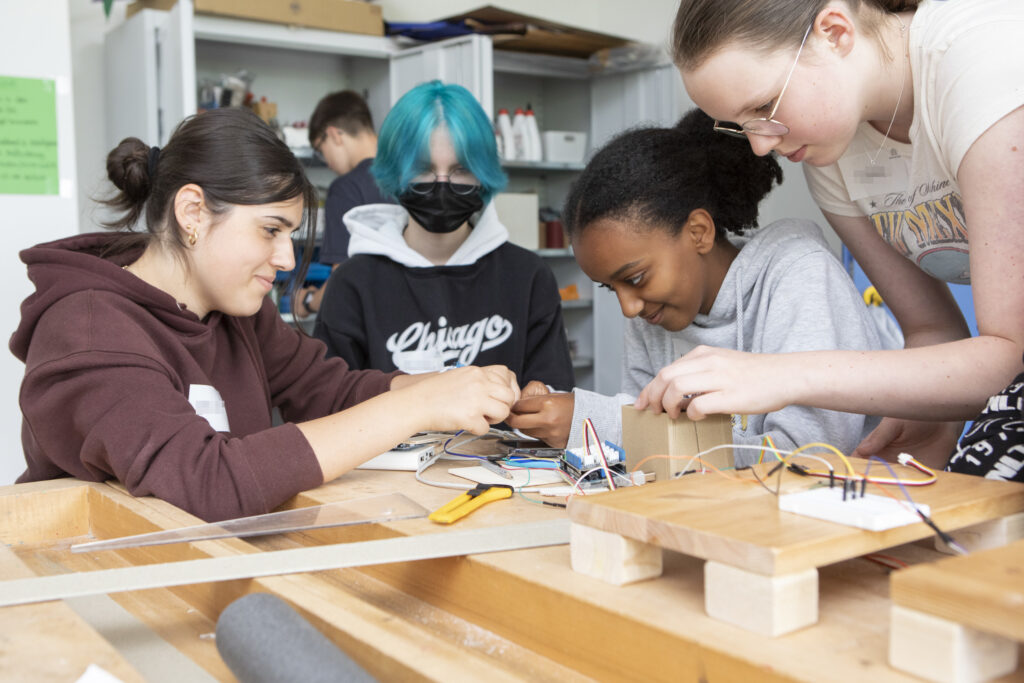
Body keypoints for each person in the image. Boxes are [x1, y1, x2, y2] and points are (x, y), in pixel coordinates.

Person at [9, 107, 519, 522]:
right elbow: (209, 481)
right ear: (192, 213)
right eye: (270, 230)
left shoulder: (236, 309)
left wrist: (449, 386)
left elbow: (329, 391)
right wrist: (418, 406)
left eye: (290, 235)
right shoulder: (91, 331)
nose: (287, 259)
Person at [639, 0, 1024, 471]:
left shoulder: (981, 55)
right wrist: (930, 414)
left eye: (764, 106)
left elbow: (1010, 359)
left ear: (835, 32)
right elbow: (933, 332)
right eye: (742, 127)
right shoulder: (831, 148)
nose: (761, 145)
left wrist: (783, 374)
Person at [506, 110, 886, 464]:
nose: (628, 307)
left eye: (635, 278)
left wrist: (597, 425)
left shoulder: (800, 276)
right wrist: (559, 421)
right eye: (610, 288)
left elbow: (807, 459)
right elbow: (645, 441)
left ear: (698, 232)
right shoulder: (655, 311)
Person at [313, 80, 575, 390]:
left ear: (483, 173)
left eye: (461, 169)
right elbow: (330, 403)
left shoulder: (528, 277)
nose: (441, 185)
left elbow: (552, 399)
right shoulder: (353, 284)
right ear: (395, 172)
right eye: (422, 169)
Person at [293, 90, 392, 319]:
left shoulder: (345, 189)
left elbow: (343, 284)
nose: (326, 161)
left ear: (334, 134)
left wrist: (307, 301)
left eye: (320, 149)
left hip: (370, 326)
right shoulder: (409, 175)